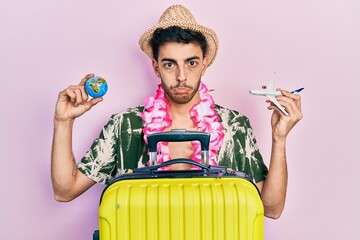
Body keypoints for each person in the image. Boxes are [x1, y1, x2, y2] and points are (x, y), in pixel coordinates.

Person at [51, 4, 302, 219]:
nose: (181, 77)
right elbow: (65, 191)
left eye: (191, 63)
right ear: (156, 67)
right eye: (169, 64)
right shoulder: (125, 126)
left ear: (204, 63)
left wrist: (279, 138)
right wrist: (63, 121)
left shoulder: (234, 126)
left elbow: (272, 209)